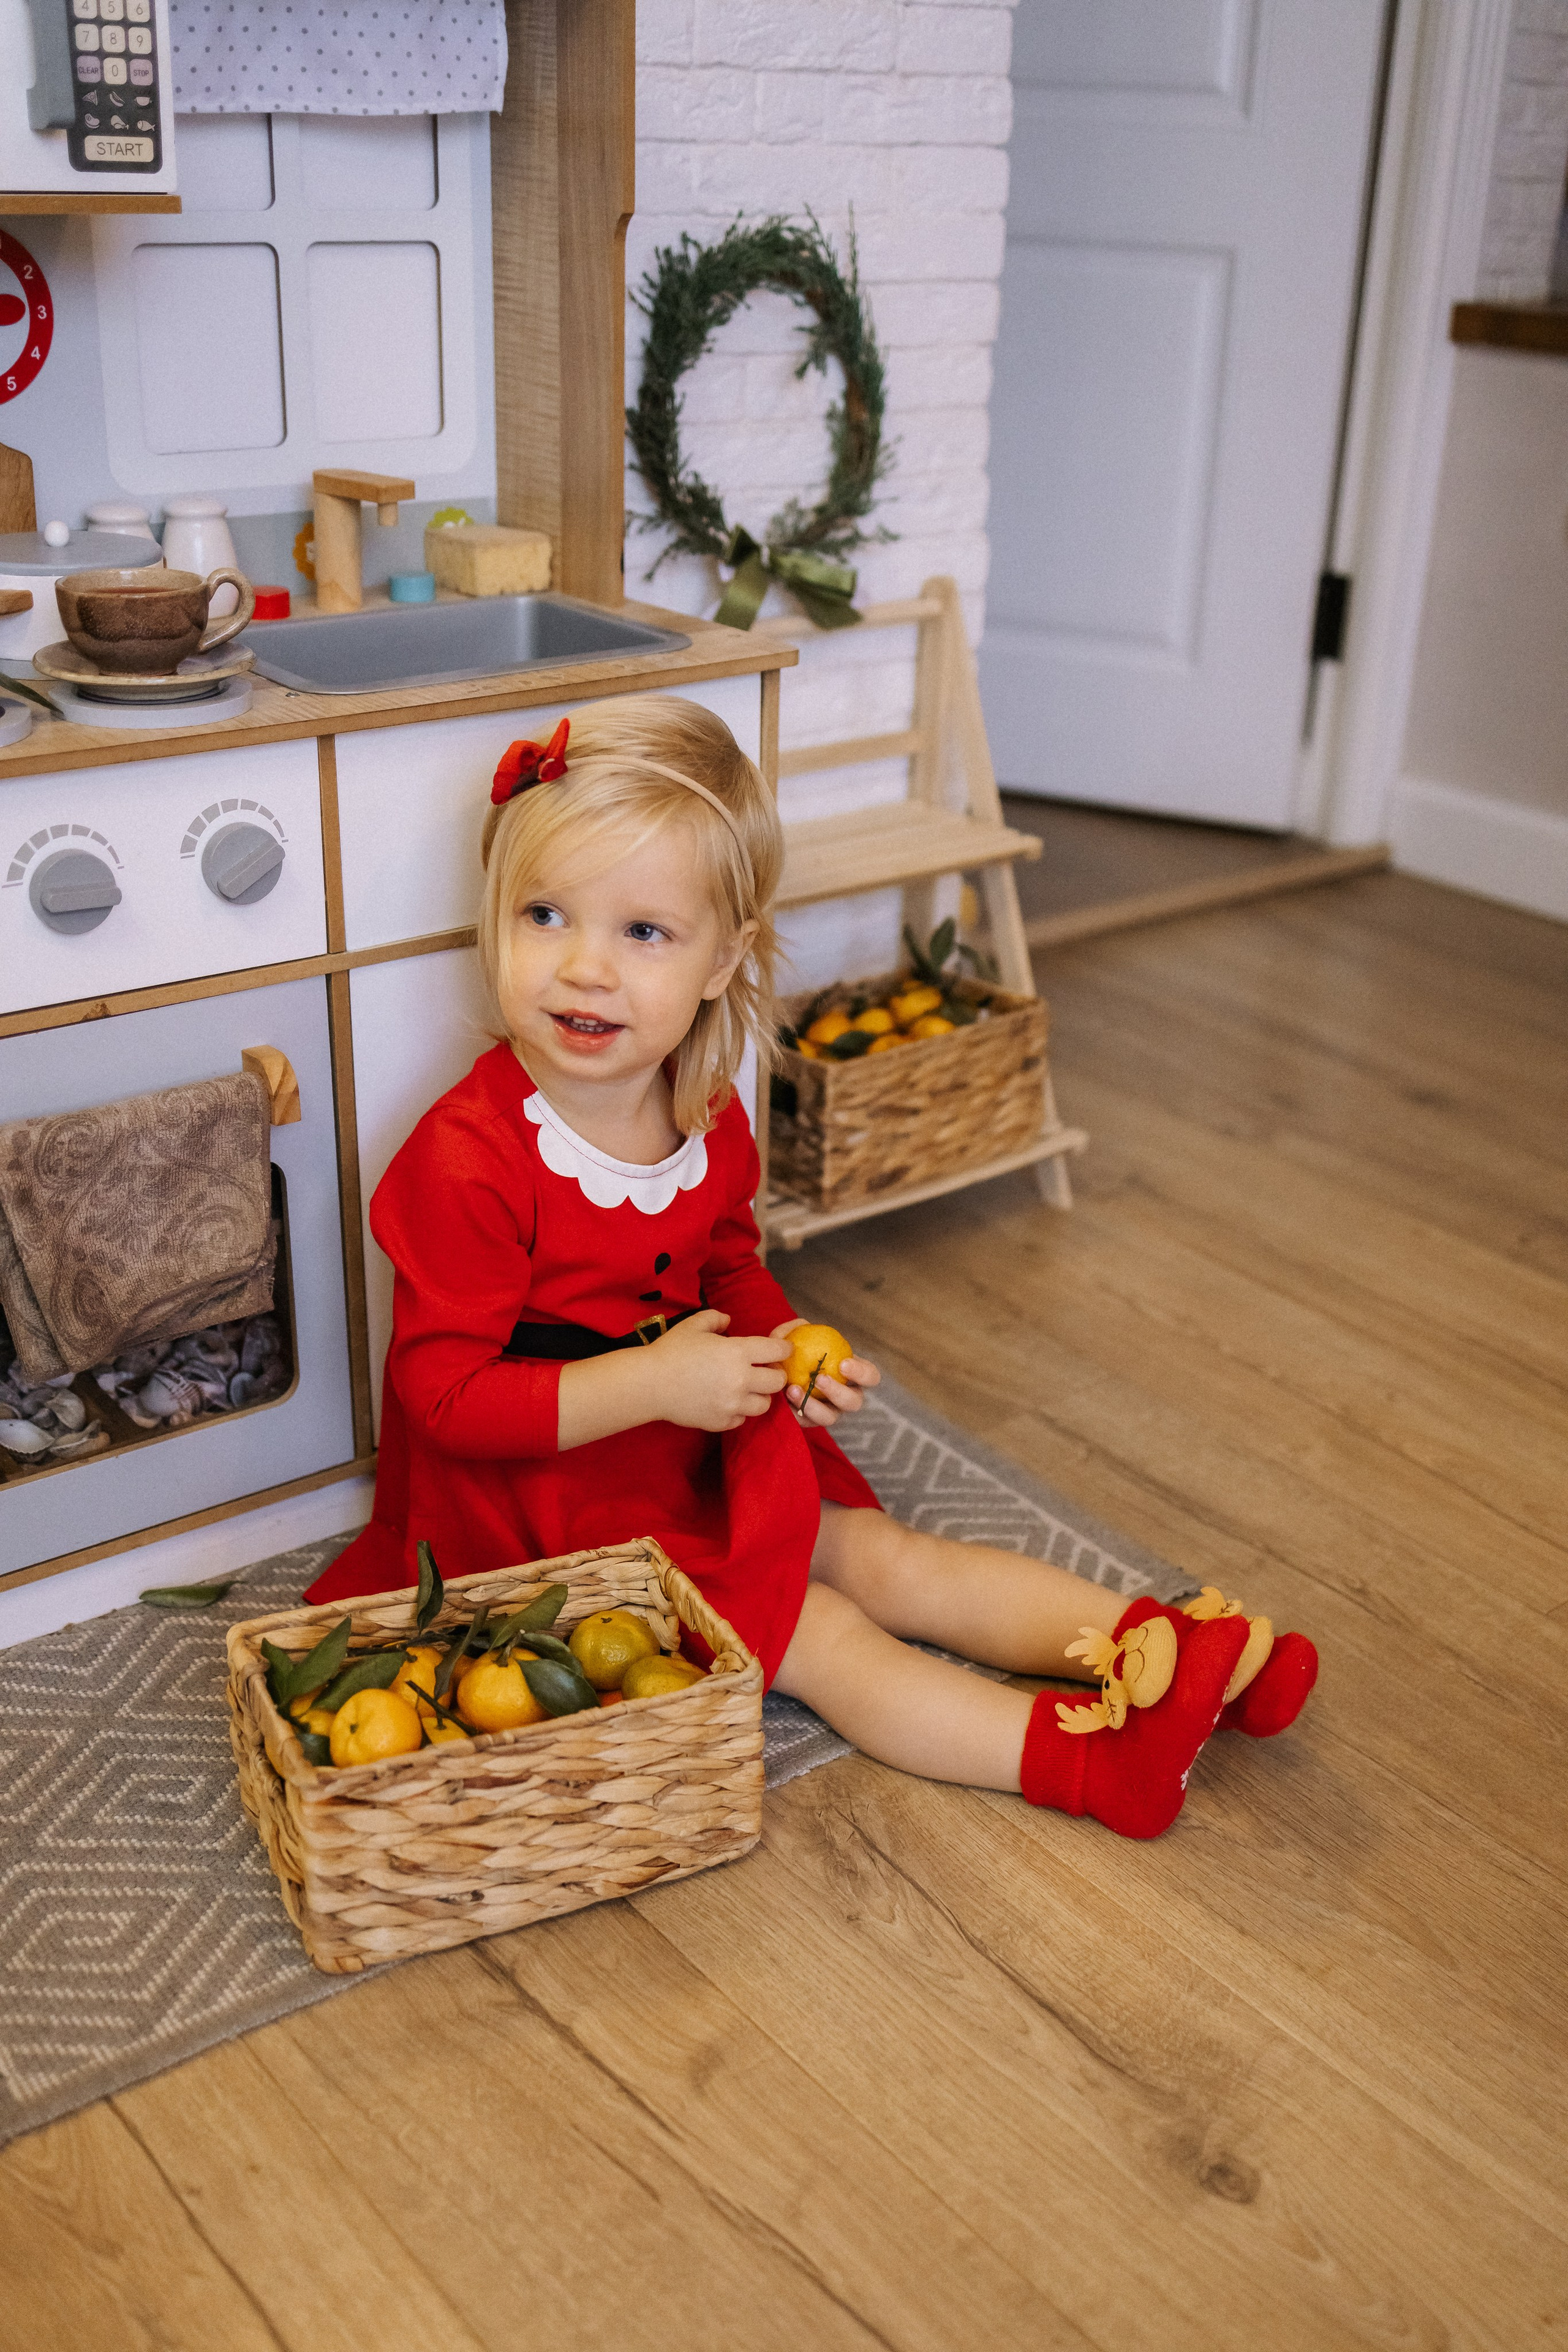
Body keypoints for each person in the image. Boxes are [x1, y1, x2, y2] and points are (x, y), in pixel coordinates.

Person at [308, 696, 1316, 1837]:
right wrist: (653, 1385)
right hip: (543, 1507)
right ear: (497, 921)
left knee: (887, 1557)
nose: (584, 968)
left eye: (643, 933)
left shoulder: (702, 1113)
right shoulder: (468, 1159)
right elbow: (443, 1403)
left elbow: (730, 1268)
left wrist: (783, 1347)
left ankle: (1171, 1653)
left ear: (721, 959)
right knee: (825, 1636)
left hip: (680, 1443)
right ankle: (1083, 1768)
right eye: (546, 915)